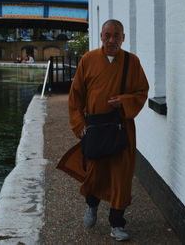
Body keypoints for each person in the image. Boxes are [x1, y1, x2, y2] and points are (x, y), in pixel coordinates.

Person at [57, 19, 149, 241]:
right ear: (101, 36)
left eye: (116, 35)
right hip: (95, 128)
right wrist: (79, 125)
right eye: (107, 35)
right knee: (94, 172)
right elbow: (76, 95)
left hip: (121, 128)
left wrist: (125, 101)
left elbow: (142, 91)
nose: (111, 40)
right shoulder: (88, 60)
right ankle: (91, 205)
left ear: (123, 38)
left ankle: (117, 223)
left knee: (121, 176)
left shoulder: (132, 62)